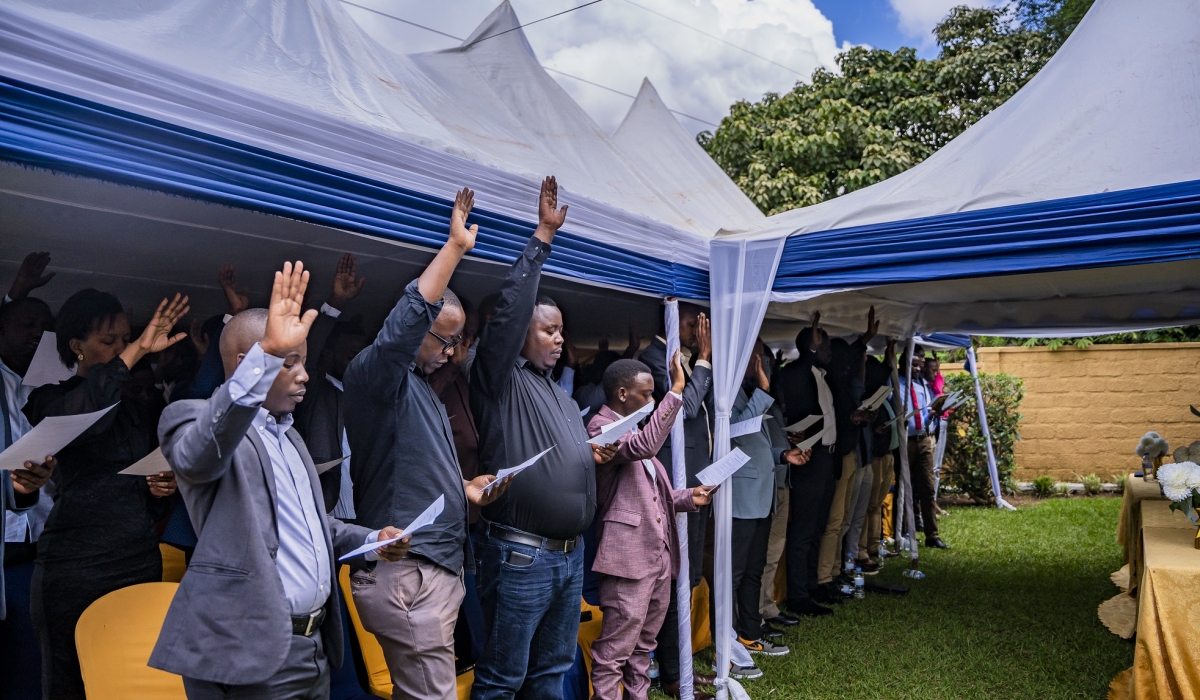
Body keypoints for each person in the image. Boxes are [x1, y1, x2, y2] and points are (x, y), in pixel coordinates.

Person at [151, 262, 409, 699]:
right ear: (246, 362)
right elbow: (197, 459)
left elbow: (315, 526)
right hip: (254, 656)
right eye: (290, 363)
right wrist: (266, 354)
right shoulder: (191, 418)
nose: (305, 374)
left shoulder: (289, 437)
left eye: (303, 362)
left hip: (314, 648)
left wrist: (372, 540)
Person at [344, 188, 510, 700]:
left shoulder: (419, 389)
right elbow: (408, 318)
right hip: (408, 574)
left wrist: (467, 489)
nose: (451, 352)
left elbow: (413, 471)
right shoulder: (377, 373)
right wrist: (455, 249)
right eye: (443, 339)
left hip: (431, 569)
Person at [469, 176, 618, 699]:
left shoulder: (552, 389)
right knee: (503, 678)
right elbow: (510, 312)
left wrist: (586, 455)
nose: (558, 339)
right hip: (521, 555)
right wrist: (541, 239)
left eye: (561, 332)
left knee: (550, 673)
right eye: (547, 330)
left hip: (568, 553)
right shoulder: (497, 375)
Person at [25, 288, 189, 699]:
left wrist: (161, 489)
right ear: (76, 347)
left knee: (132, 681)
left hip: (137, 561)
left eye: (124, 339)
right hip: (75, 568)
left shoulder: (133, 409)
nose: (121, 348)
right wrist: (134, 352)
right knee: (71, 684)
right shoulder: (49, 399)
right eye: (109, 341)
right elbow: (85, 420)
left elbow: (147, 499)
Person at [586, 356, 712, 700]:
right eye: (646, 394)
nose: (651, 401)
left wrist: (689, 497)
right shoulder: (601, 428)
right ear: (623, 393)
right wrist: (675, 391)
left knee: (643, 647)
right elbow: (645, 448)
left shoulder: (634, 428)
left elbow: (652, 494)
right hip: (627, 557)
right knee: (615, 651)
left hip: (656, 556)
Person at [638, 304, 718, 698]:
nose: (698, 330)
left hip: (697, 481)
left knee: (687, 579)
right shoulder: (652, 361)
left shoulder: (686, 361)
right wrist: (702, 360)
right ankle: (671, 674)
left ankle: (679, 666)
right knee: (674, 581)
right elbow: (683, 410)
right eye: (692, 323)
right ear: (670, 322)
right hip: (674, 482)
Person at [1, 252, 58, 700]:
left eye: (44, 329)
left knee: (28, 655)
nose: (36, 334)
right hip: (1, 542)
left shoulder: (48, 389)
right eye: (26, 325)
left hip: (38, 541)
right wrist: (15, 292)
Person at [730, 345, 806, 658]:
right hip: (741, 500)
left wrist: (781, 455)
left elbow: (754, 445)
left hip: (761, 498)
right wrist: (763, 389)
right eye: (753, 356)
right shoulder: (727, 394)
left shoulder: (747, 393)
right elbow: (733, 431)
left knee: (753, 570)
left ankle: (750, 635)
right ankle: (729, 638)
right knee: (735, 573)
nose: (759, 362)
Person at [292, 253, 369, 516]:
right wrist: (335, 303)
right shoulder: (315, 390)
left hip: (366, 512)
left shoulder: (365, 396)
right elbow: (309, 356)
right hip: (328, 509)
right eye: (350, 356)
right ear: (329, 354)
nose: (357, 363)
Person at [775, 314, 837, 617]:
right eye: (824, 346)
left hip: (826, 456)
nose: (829, 352)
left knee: (818, 525)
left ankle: (813, 584)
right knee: (802, 529)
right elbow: (783, 411)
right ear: (813, 347)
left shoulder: (824, 373)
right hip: (805, 457)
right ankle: (798, 594)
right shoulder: (794, 372)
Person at [813, 310, 876, 603]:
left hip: (850, 453)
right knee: (835, 520)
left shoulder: (840, 382)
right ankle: (825, 577)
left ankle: (836, 571)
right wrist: (863, 339)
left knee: (844, 519)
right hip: (838, 456)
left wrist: (855, 416)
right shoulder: (833, 377)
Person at [899, 352, 950, 550]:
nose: (918, 369)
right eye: (914, 365)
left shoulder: (921, 386)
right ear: (903, 364)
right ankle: (902, 532)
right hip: (905, 442)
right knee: (904, 488)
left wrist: (932, 414)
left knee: (928, 488)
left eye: (920, 365)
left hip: (923, 440)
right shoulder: (896, 383)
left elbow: (923, 416)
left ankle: (932, 535)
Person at [858, 350, 899, 570]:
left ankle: (874, 544)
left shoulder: (882, 397)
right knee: (868, 505)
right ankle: (862, 549)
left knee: (877, 504)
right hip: (874, 456)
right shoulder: (868, 396)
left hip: (887, 454)